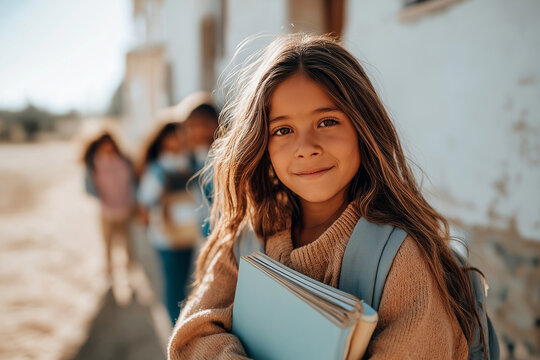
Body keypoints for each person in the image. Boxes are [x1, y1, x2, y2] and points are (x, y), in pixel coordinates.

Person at [168, 34, 482, 359]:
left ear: (363, 128)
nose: (306, 148)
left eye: (327, 121)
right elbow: (192, 337)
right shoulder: (248, 240)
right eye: (283, 130)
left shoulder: (402, 261)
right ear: (263, 143)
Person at [137, 120, 200, 324]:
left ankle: (181, 323)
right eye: (174, 135)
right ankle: (176, 326)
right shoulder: (157, 170)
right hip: (166, 238)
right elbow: (144, 201)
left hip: (188, 235)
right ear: (163, 140)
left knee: (186, 283)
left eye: (182, 134)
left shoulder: (190, 163)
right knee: (174, 287)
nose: (180, 139)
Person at [83, 131, 136, 284]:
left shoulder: (125, 162)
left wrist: (132, 202)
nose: (107, 147)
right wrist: (102, 200)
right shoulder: (93, 164)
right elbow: (88, 188)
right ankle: (110, 277)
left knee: (128, 247)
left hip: (126, 212)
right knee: (108, 247)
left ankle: (130, 277)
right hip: (106, 213)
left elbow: (133, 184)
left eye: (109, 144)